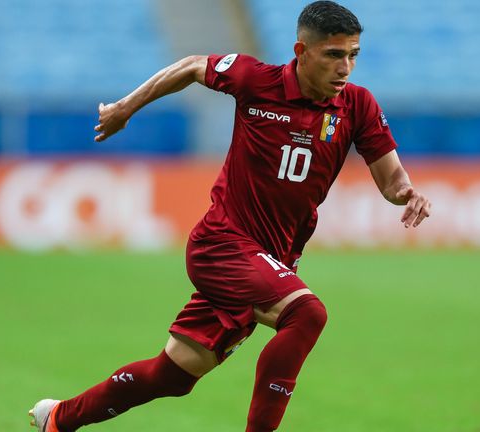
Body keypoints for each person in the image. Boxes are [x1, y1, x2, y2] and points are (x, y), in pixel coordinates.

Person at [29, 2, 431, 431]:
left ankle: (58, 418)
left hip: (268, 263)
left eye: (353, 55)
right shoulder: (256, 80)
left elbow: (391, 181)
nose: (345, 67)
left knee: (174, 374)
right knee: (307, 314)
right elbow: (189, 66)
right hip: (221, 245)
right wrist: (126, 107)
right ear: (302, 51)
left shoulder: (358, 106)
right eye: (334, 54)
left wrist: (407, 194)